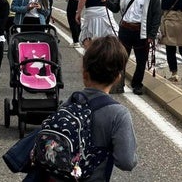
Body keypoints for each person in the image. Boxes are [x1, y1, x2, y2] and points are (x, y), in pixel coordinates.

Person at [24, 35, 138, 181]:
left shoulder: (69, 103)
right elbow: (126, 162)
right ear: (118, 77)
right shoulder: (118, 114)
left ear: (85, 74)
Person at [117, 0, 161, 95]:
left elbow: (156, 16)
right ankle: (118, 83)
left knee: (141, 60)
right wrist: (106, 1)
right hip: (125, 29)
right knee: (121, 59)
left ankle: (137, 84)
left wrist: (152, 35)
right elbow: (116, 7)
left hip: (141, 31)